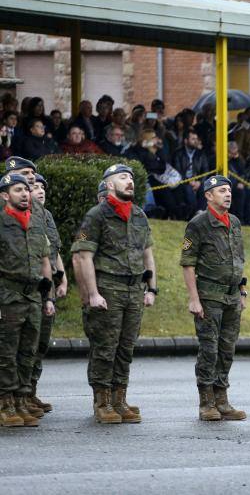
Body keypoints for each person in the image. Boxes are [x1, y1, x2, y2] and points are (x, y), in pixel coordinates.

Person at [71, 164, 157, 424]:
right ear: (109, 184)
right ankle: (102, 401)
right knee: (105, 347)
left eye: (130, 177)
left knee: (125, 347)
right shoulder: (97, 215)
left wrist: (151, 287)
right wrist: (92, 294)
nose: (129, 181)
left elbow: (147, 253)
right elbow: (83, 256)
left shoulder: (139, 215)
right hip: (108, 287)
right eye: (122, 177)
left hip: (133, 289)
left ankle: (120, 399)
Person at [181, 175, 247, 422]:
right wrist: (194, 298)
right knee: (209, 348)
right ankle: (206, 401)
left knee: (227, 348)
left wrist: (241, 290)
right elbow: (188, 263)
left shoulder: (235, 223)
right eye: (221, 191)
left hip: (231, 295)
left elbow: (238, 259)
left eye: (229, 190)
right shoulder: (198, 224)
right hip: (209, 296)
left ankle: (222, 399)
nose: (228, 194)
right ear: (208, 195)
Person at [0, 173, 54, 428]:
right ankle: (5, 403)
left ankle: (21, 400)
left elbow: (45, 259)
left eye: (26, 189)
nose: (24, 193)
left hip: (33, 295)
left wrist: (47, 295)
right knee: (6, 352)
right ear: (4, 196)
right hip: (7, 295)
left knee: (27, 351)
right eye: (17, 189)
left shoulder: (35, 222)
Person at [29, 173, 68, 414]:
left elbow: (54, 252)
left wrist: (62, 278)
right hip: (29, 284)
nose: (41, 190)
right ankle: (17, 396)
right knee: (25, 344)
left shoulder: (47, 216)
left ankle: (30, 391)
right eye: (34, 186)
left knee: (41, 342)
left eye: (43, 186)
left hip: (48, 285)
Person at [173, 129, 211, 215]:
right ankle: (192, 212)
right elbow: (177, 171)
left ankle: (201, 212)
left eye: (196, 139)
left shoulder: (201, 154)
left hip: (198, 181)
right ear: (186, 141)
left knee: (204, 188)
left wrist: (199, 182)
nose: (195, 141)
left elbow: (206, 170)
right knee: (188, 189)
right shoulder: (178, 154)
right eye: (193, 139)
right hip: (183, 182)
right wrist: (189, 181)